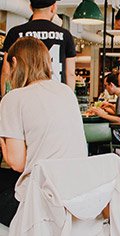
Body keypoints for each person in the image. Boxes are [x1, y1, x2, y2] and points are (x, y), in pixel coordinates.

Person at [0, 37, 87, 226]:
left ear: (14, 62)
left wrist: (3, 142)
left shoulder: (13, 98)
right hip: (77, 195)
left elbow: (17, 163)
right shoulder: (66, 92)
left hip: (40, 200)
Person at [1, 0, 76, 96]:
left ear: (31, 7)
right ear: (53, 8)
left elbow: (6, 71)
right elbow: (70, 74)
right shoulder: (65, 35)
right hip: (55, 96)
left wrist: (5, 99)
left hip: (24, 96)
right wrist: (69, 99)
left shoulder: (15, 33)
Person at [88, 72, 120, 143]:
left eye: (106, 86)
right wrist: (111, 106)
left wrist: (103, 115)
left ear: (111, 85)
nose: (106, 89)